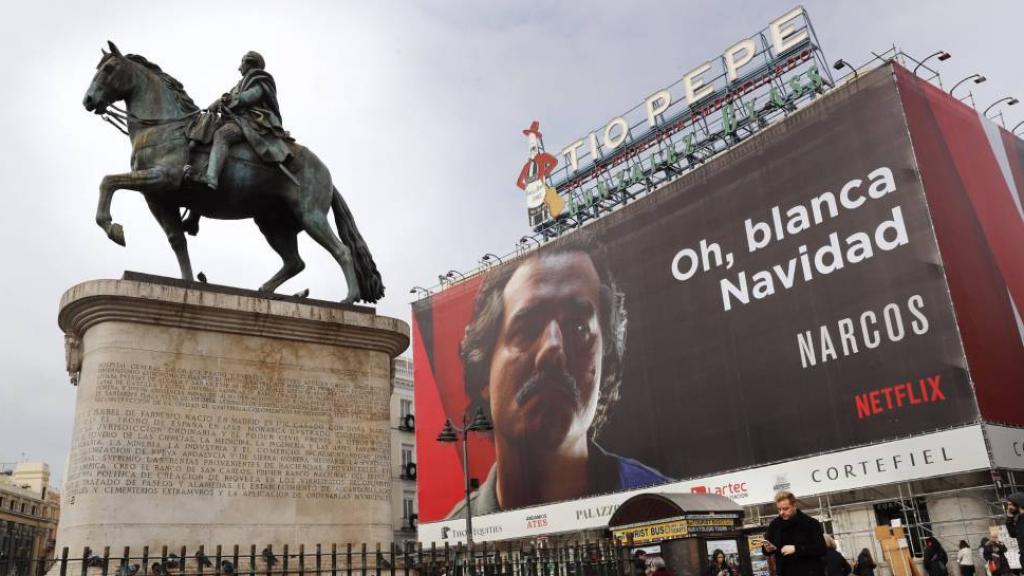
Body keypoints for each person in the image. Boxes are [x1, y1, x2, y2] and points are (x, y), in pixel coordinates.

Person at [445, 234, 672, 519]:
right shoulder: (454, 533)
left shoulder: (662, 505)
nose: (554, 348)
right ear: (483, 374)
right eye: (526, 329)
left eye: (579, 329)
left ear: (606, 364)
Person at [197, 51, 293, 190]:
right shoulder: (240, 83)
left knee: (222, 135)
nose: (239, 67)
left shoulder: (261, 80)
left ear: (250, 62)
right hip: (235, 119)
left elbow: (248, 98)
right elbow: (230, 99)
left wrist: (225, 101)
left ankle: (211, 177)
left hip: (251, 122)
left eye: (242, 63)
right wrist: (216, 104)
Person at [763, 491, 827, 576]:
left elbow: (821, 549)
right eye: (779, 509)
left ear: (794, 506)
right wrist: (767, 549)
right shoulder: (774, 525)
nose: (781, 512)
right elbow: (766, 550)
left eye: (786, 509)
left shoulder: (811, 523)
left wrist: (796, 549)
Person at [1005, 492, 1024, 568]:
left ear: (1018, 503)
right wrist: (1009, 518)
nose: (1008, 507)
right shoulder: (1019, 519)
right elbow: (1013, 534)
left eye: (1010, 504)